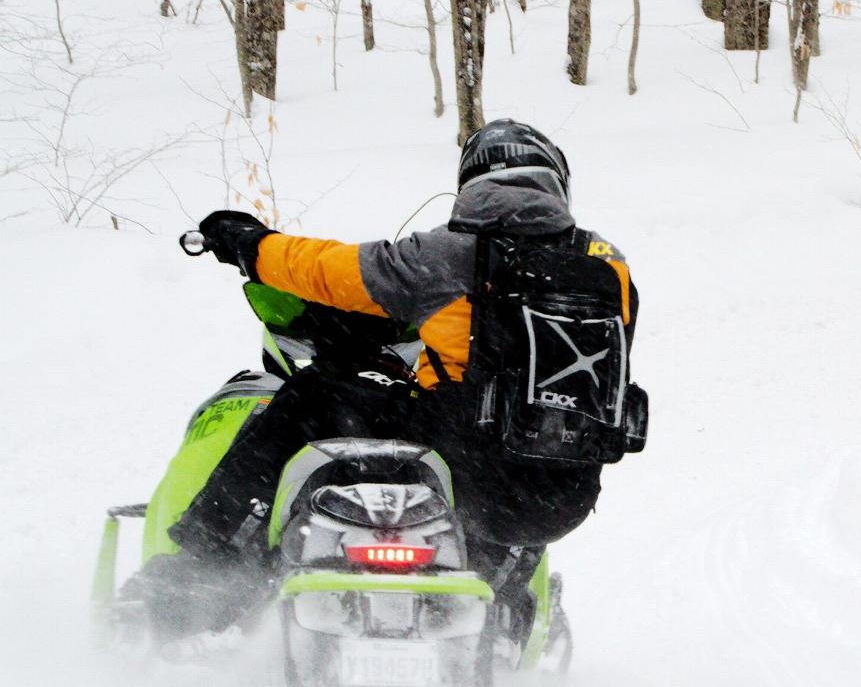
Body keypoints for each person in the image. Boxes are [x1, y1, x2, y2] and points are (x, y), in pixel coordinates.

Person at [129, 119, 640, 638]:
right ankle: (503, 606)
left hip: (464, 458)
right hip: (562, 492)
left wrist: (249, 243)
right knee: (534, 442)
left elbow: (328, 271)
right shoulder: (610, 270)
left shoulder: (451, 253)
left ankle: (203, 564)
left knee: (315, 393)